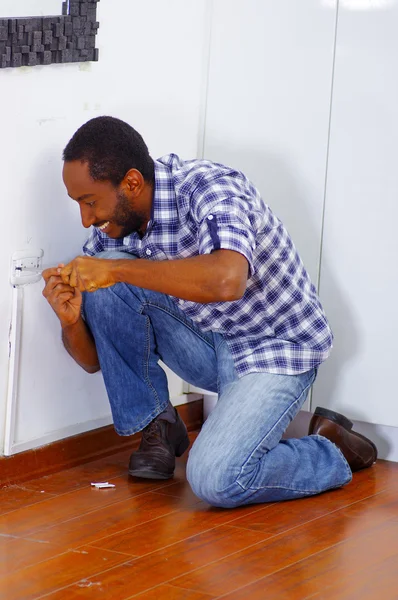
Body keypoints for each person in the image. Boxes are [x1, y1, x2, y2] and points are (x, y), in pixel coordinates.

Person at [42, 116, 377, 508]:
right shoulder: (114, 226)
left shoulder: (209, 187)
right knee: (105, 283)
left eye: (89, 202)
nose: (86, 219)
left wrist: (113, 269)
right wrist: (70, 322)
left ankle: (330, 450)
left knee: (215, 479)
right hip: (210, 342)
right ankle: (160, 428)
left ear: (131, 183)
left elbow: (227, 280)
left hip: (276, 349)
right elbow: (96, 362)